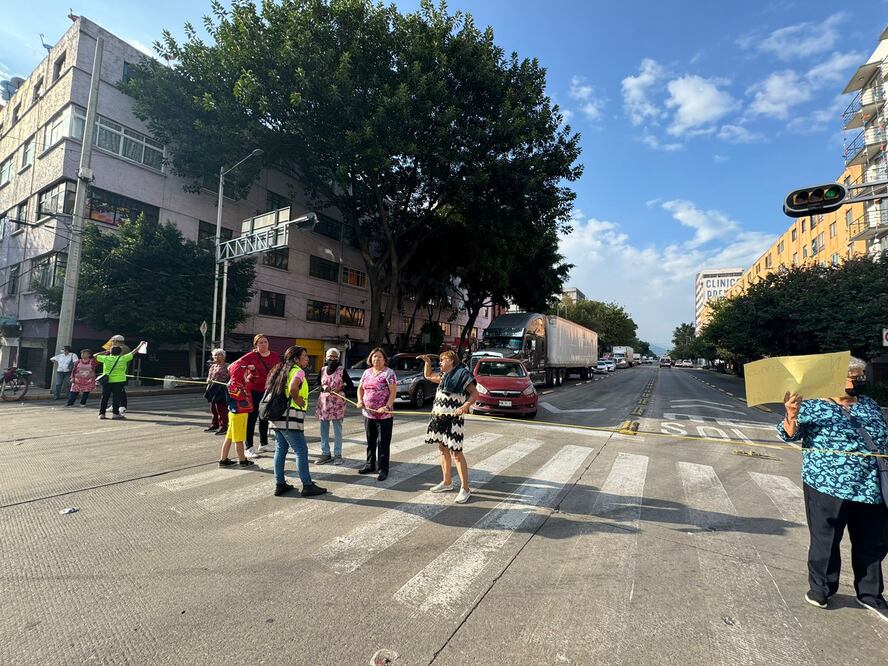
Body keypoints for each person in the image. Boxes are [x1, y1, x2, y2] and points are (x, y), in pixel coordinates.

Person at [778, 355, 888, 619]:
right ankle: (821, 588)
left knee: (872, 541)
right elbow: (788, 434)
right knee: (826, 540)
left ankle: (870, 593)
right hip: (826, 486)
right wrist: (791, 415)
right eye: (854, 377)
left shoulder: (870, 405)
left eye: (862, 376)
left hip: (870, 487)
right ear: (836, 380)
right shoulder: (814, 406)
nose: (860, 380)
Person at [267, 345, 327, 497]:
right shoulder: (298, 371)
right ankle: (307, 485)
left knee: (280, 450)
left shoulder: (280, 371)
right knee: (301, 450)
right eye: (305, 356)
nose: (307, 359)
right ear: (296, 359)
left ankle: (280, 484)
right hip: (290, 418)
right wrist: (298, 399)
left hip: (277, 417)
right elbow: (293, 387)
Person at [421, 350, 479, 504]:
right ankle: (447, 482)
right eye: (440, 360)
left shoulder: (462, 375)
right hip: (439, 417)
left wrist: (464, 407)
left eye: (443, 360)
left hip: (453, 419)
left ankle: (465, 488)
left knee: (456, 452)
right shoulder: (444, 377)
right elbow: (428, 375)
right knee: (442, 448)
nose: (440, 363)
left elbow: (475, 394)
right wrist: (427, 363)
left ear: (452, 361)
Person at [231, 334, 281, 457]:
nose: (263, 344)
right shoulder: (251, 356)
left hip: (268, 390)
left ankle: (264, 443)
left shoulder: (274, 356)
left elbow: (280, 372)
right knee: (252, 418)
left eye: (265, 342)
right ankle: (248, 447)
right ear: (256, 345)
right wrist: (244, 372)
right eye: (260, 342)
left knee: (264, 416)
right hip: (253, 390)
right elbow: (233, 366)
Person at [356, 347, 397, 481]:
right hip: (368, 414)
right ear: (371, 359)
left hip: (384, 415)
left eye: (379, 357)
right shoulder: (367, 372)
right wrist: (360, 401)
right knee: (370, 441)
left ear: (384, 359)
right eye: (374, 356)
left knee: (383, 443)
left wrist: (387, 406)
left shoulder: (389, 373)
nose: (377, 359)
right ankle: (370, 465)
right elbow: (360, 389)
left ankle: (383, 469)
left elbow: (393, 392)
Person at [315, 348, 354, 465]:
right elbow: (317, 384)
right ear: (326, 357)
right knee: (323, 431)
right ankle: (325, 453)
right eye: (330, 356)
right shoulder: (322, 370)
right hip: (324, 405)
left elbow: (350, 385)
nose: (332, 359)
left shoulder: (342, 370)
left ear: (338, 358)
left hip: (338, 405)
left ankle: (338, 455)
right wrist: (323, 387)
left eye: (335, 357)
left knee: (337, 431)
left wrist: (340, 388)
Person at [218, 361, 257, 468]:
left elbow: (253, 380)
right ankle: (242, 461)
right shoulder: (235, 385)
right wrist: (246, 383)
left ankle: (223, 460)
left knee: (229, 437)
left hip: (234, 413)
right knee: (239, 439)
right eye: (245, 372)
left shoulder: (234, 383)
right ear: (239, 373)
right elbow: (242, 395)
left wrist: (252, 371)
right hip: (239, 414)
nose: (246, 374)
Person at [95, 339, 146, 420]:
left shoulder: (105, 358)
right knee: (116, 397)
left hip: (107, 381)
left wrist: (105, 352)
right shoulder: (123, 358)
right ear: (120, 352)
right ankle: (115, 414)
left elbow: (95, 355)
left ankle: (102, 414)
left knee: (104, 397)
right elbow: (134, 351)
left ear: (111, 352)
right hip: (119, 381)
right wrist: (141, 344)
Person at [204, 349, 230, 433]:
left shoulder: (228, 366)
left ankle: (224, 426)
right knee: (213, 408)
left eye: (219, 355)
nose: (217, 357)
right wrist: (208, 380)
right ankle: (215, 425)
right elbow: (209, 377)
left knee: (221, 409)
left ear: (224, 357)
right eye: (215, 355)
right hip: (212, 388)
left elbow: (231, 377)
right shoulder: (212, 366)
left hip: (222, 388)